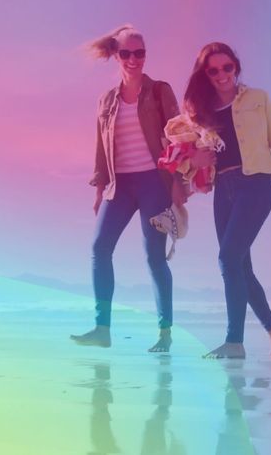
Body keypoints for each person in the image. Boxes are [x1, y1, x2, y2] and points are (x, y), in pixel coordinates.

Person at [182, 42, 271, 359]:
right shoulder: (199, 113)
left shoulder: (258, 99)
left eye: (227, 67)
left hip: (256, 184)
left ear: (236, 66)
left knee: (227, 259)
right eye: (213, 70)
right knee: (241, 267)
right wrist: (195, 160)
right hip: (224, 189)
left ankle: (234, 342)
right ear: (206, 74)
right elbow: (188, 158)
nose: (221, 75)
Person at [71, 25, 188, 352]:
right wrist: (99, 189)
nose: (133, 59)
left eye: (140, 53)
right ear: (116, 56)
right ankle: (102, 328)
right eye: (126, 53)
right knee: (99, 248)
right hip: (119, 186)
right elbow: (100, 146)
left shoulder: (160, 91)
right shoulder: (106, 100)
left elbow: (181, 139)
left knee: (154, 257)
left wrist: (180, 182)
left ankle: (165, 334)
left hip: (155, 181)